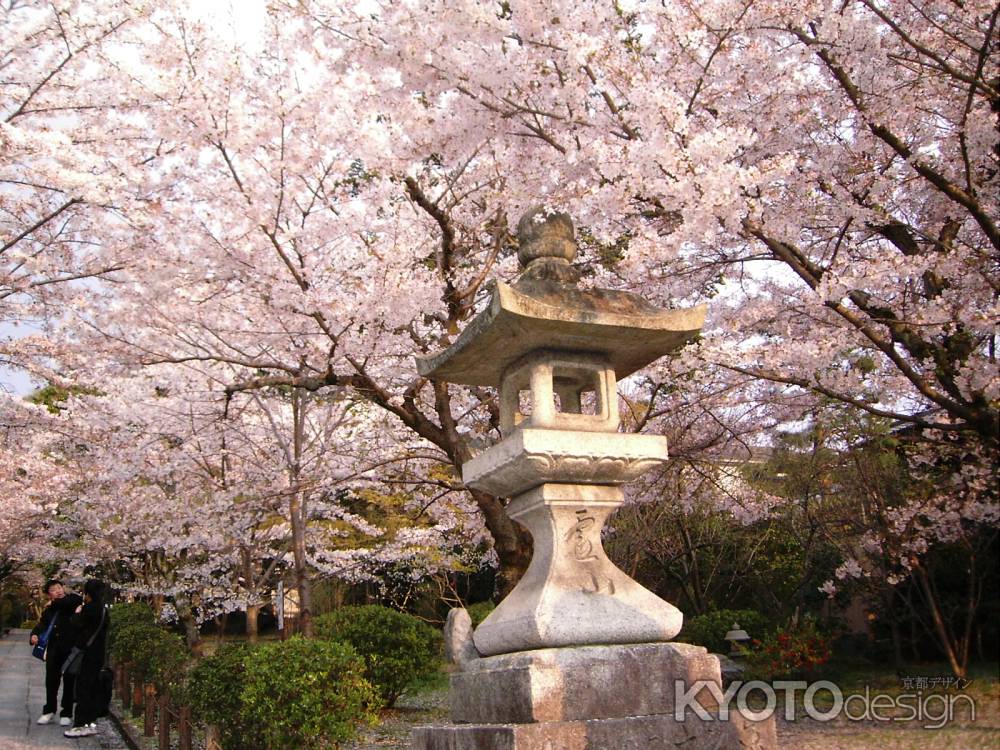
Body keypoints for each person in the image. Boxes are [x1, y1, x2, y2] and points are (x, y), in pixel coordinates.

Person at [29, 579, 82, 726]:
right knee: (51, 681)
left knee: (69, 680)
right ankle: (49, 711)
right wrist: (34, 634)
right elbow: (42, 625)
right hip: (54, 649)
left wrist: (53, 603)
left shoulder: (72, 600)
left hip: (70, 648)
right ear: (48, 594)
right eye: (53, 589)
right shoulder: (49, 610)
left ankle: (66, 712)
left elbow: (71, 601)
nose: (58, 590)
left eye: (59, 587)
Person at [64, 578, 111, 738]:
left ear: (88, 593)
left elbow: (75, 625)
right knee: (92, 687)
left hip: (86, 654)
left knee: (82, 688)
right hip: (98, 655)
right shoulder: (104, 610)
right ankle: (90, 722)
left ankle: (80, 724)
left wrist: (77, 613)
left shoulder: (88, 609)